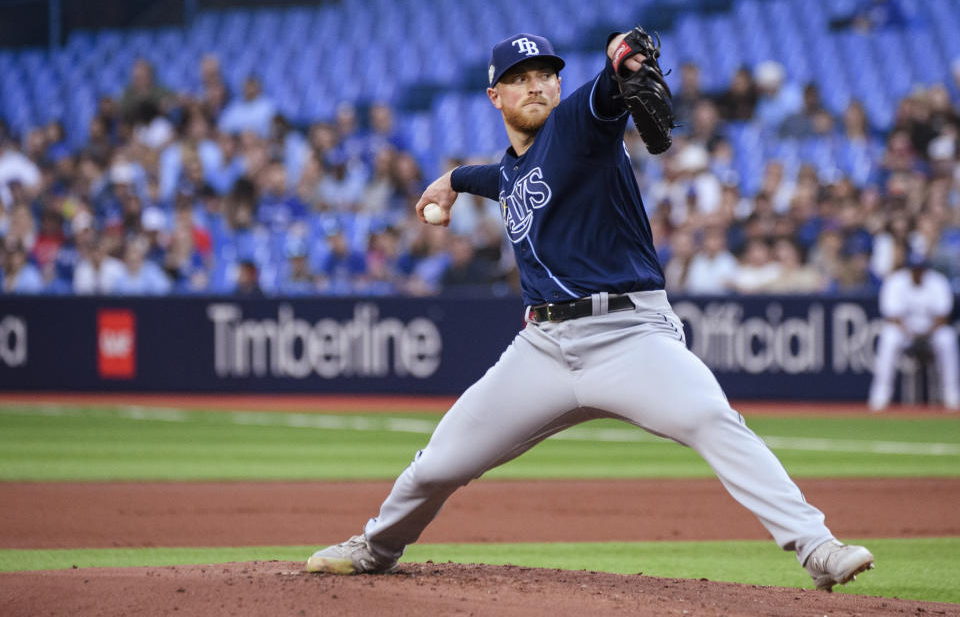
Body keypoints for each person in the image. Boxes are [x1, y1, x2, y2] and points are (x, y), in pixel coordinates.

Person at [304, 30, 874, 590]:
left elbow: (614, 83)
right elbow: (498, 178)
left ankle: (817, 546)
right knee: (437, 465)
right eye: (518, 79)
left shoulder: (580, 122)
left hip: (631, 335)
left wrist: (625, 52)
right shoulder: (508, 171)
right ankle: (375, 547)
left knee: (710, 418)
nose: (535, 86)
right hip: (543, 350)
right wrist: (451, 180)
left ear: (560, 86)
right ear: (495, 97)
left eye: (545, 76)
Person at [868, 253, 960, 411]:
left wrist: (926, 334)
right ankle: (880, 396)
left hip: (932, 331)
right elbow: (892, 316)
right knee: (889, 337)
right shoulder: (896, 282)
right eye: (914, 269)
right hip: (905, 332)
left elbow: (943, 316)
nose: (917, 273)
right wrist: (911, 333)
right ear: (908, 269)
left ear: (926, 269)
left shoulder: (937, 282)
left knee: (947, 338)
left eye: (920, 269)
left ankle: (951, 395)